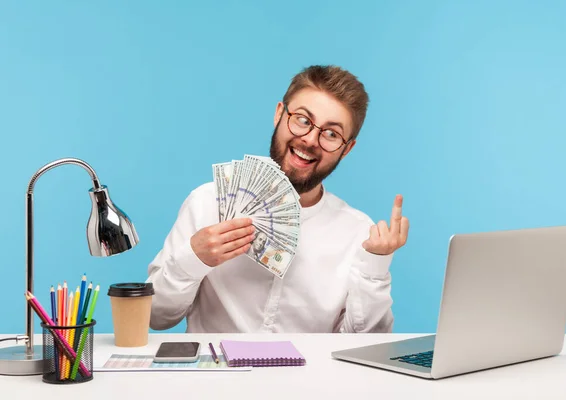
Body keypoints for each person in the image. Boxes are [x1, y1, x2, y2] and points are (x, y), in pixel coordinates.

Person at [147, 65, 410, 333]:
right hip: (217, 372)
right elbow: (156, 317)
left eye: (332, 134)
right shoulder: (206, 203)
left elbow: (361, 346)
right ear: (278, 115)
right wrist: (194, 258)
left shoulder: (357, 233)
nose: (310, 140)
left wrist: (375, 269)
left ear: (347, 149)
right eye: (303, 120)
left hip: (310, 376)